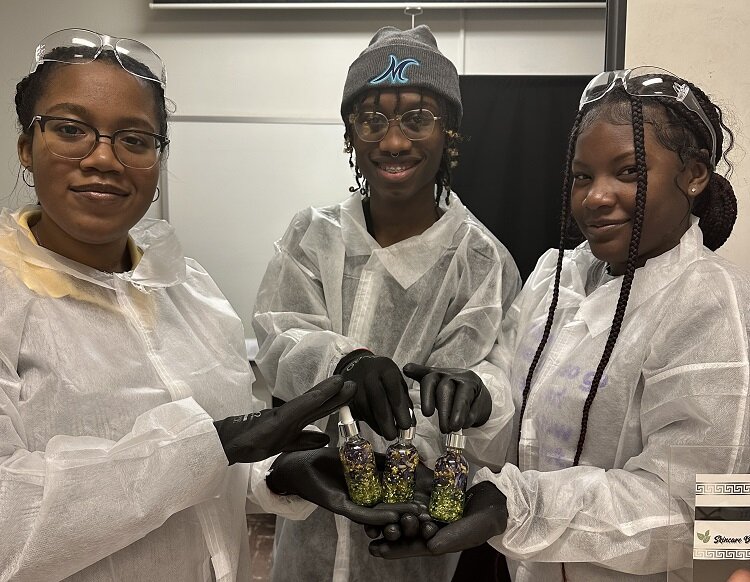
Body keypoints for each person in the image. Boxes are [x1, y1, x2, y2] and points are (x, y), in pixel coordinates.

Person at [0, 28, 362, 582]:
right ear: (26, 144)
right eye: (71, 130)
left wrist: (276, 475)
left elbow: (213, 471)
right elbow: (11, 523)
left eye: (135, 139)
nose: (103, 158)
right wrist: (212, 444)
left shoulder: (188, 290)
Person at [369, 67, 750, 581]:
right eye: (582, 176)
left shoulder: (713, 302)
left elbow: (711, 522)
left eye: (629, 172)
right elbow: (516, 397)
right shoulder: (557, 276)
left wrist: (518, 508)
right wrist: (482, 399)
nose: (596, 197)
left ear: (695, 174)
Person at [252, 25, 520, 582]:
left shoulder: (480, 259)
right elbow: (279, 343)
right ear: (351, 134)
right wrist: (342, 363)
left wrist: (474, 395)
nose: (394, 143)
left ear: (450, 134)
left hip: (417, 532)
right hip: (312, 521)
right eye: (372, 119)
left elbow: (496, 379)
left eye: (418, 119)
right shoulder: (312, 237)